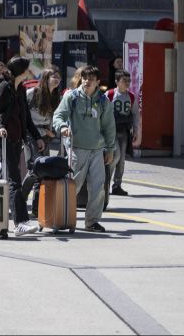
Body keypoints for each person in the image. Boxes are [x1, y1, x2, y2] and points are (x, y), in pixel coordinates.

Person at [0, 56, 44, 236]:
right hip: (3, 139)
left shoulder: (21, 90)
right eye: (27, 68)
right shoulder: (4, 88)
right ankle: (20, 222)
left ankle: (21, 221)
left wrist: (36, 136)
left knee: (14, 179)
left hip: (16, 140)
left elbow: (26, 118)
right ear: (21, 71)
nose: (29, 71)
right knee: (14, 181)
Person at [52, 65, 116, 233]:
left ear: (98, 82)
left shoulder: (103, 101)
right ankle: (61, 216)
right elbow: (58, 115)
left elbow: (109, 127)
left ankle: (92, 222)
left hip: (97, 149)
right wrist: (63, 127)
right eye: (85, 78)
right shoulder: (71, 97)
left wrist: (110, 148)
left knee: (98, 186)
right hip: (76, 148)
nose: (87, 81)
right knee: (73, 186)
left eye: (91, 79)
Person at [25, 66, 62, 216]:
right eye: (54, 76)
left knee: (43, 170)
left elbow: (54, 116)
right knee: (34, 169)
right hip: (31, 134)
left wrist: (52, 131)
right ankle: (19, 200)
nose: (57, 79)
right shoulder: (31, 94)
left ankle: (36, 208)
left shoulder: (56, 96)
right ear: (46, 78)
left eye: (59, 77)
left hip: (46, 135)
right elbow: (24, 118)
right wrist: (40, 132)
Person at [106, 70, 137, 197]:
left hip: (124, 130)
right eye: (124, 80)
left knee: (122, 159)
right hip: (111, 130)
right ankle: (106, 183)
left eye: (128, 81)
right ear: (117, 82)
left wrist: (135, 130)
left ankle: (117, 185)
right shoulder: (109, 94)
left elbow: (135, 114)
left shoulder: (131, 96)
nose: (127, 83)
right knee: (115, 156)